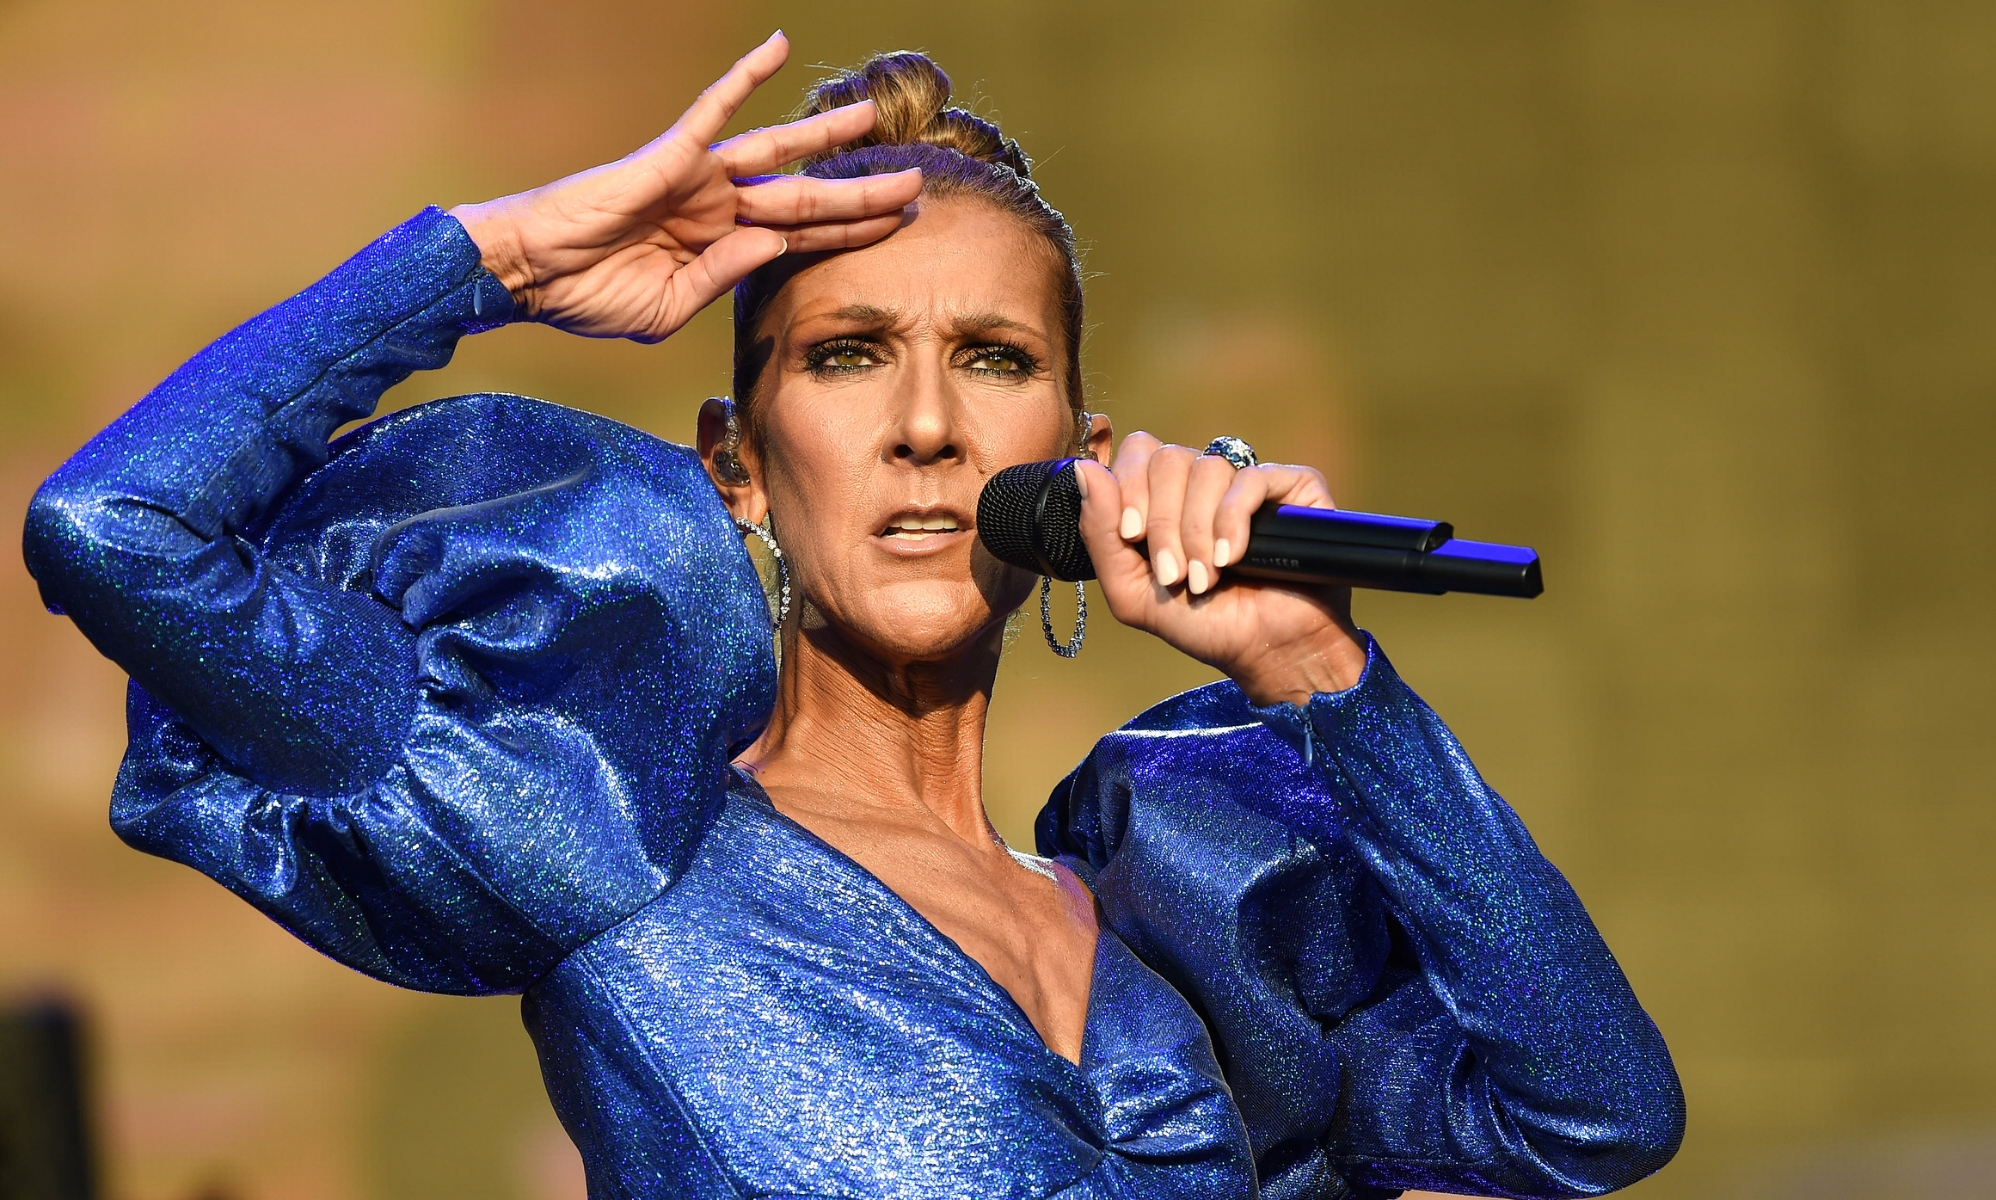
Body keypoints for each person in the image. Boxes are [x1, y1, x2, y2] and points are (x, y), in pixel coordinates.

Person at [23, 34, 1683, 1200]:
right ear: (738, 465)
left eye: (994, 361)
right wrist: (493, 261)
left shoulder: (1176, 917)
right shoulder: (598, 826)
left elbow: (1595, 1119)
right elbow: (117, 530)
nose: (928, 427)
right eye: (848, 355)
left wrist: (1319, 670)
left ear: (1082, 456)